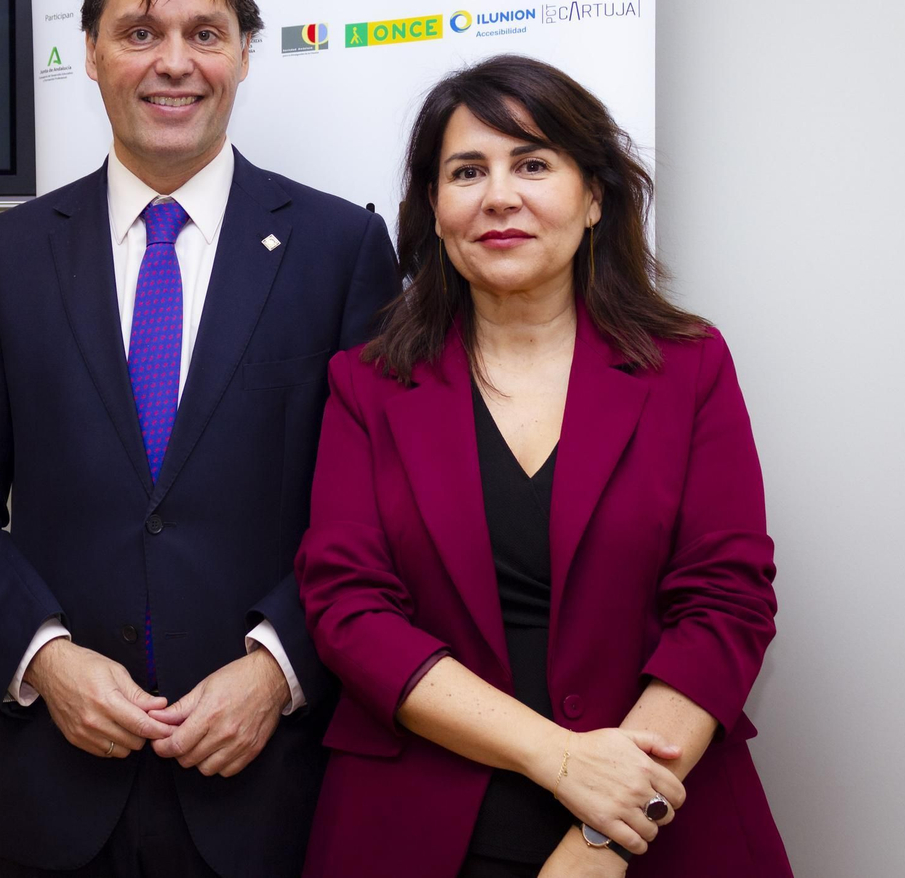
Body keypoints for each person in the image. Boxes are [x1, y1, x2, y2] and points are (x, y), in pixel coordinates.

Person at [0, 0, 400, 878]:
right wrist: (42, 656)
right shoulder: (3, 258)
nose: (172, 62)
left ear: (242, 56)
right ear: (93, 54)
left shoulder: (338, 252)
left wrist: (279, 668)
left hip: (269, 790)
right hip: (58, 790)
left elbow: (380, 513)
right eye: (139, 33)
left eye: (204, 33)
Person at [295, 54, 793, 878]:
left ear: (594, 196)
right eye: (467, 171)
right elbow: (349, 611)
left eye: (533, 163)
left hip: (653, 822)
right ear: (433, 207)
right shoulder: (367, 384)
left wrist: (605, 831)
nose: (499, 196)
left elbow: (726, 603)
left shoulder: (690, 367)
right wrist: (556, 759)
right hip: (417, 823)